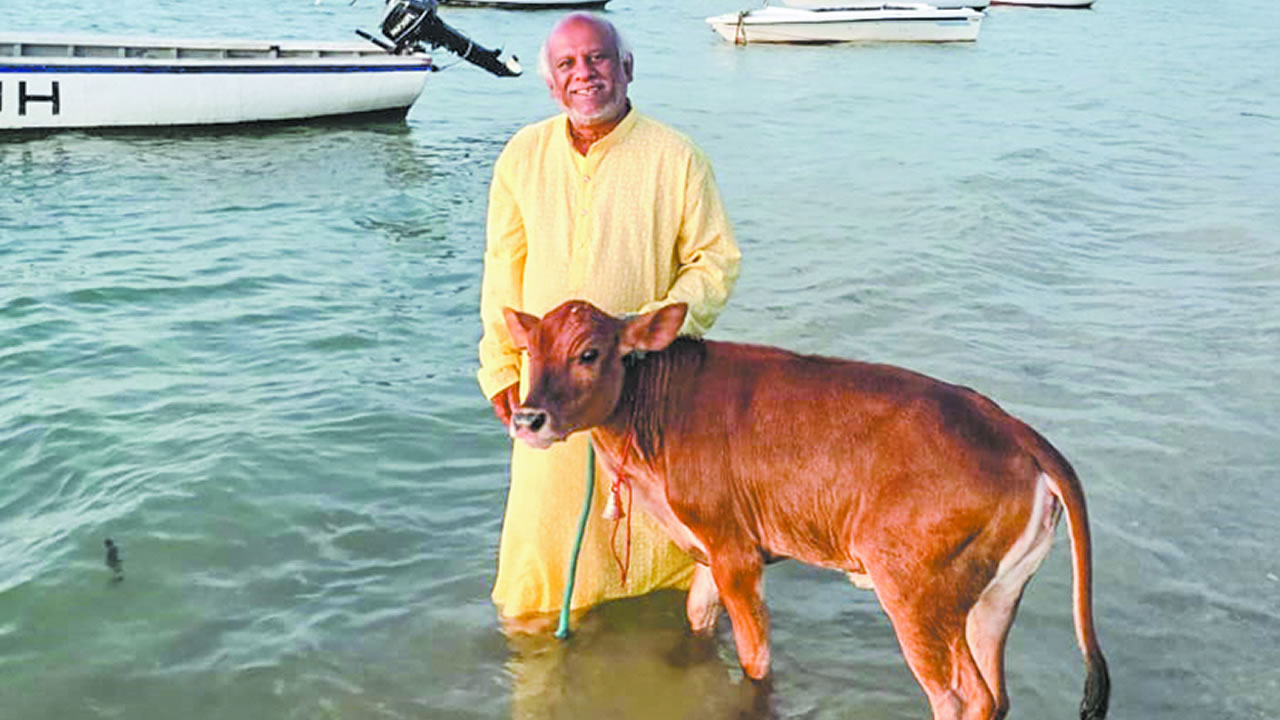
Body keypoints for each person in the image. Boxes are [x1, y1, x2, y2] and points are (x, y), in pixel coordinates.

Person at [476, 13, 742, 631]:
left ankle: (670, 647)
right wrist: (498, 369)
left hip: (642, 382)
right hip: (546, 383)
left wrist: (651, 333)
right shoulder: (522, 155)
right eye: (567, 65)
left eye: (597, 59)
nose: (584, 75)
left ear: (626, 68)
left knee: (661, 532)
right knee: (542, 549)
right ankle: (545, 658)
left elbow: (715, 259)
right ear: (550, 84)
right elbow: (501, 270)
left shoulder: (675, 156)